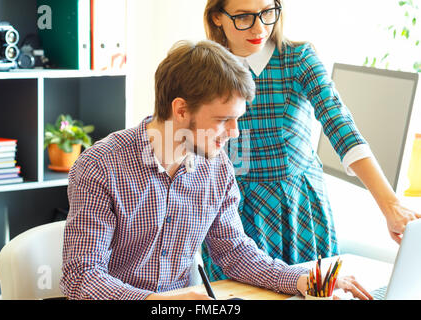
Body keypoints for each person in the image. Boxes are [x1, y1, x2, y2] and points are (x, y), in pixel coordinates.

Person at [60, 39, 372, 300]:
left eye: (237, 119)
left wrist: (301, 279)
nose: (235, 133)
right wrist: (162, 303)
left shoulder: (217, 166)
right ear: (181, 109)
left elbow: (234, 251)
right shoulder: (100, 167)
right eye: (223, 120)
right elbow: (81, 278)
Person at [201, 0, 421, 282]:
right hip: (233, 211)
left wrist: (390, 205)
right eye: (244, 16)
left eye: (268, 12)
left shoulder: (298, 58)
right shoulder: (207, 67)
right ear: (217, 17)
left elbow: (339, 123)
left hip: (299, 207)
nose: (259, 27)